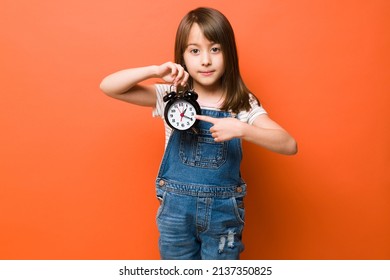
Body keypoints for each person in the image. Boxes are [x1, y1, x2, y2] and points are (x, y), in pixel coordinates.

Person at [100, 7, 297, 260]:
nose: (205, 60)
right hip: (175, 217)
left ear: (229, 53)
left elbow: (289, 144)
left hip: (223, 218)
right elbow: (109, 87)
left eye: (215, 49)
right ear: (182, 57)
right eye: (195, 50)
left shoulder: (241, 103)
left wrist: (242, 128)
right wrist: (154, 71)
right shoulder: (170, 96)